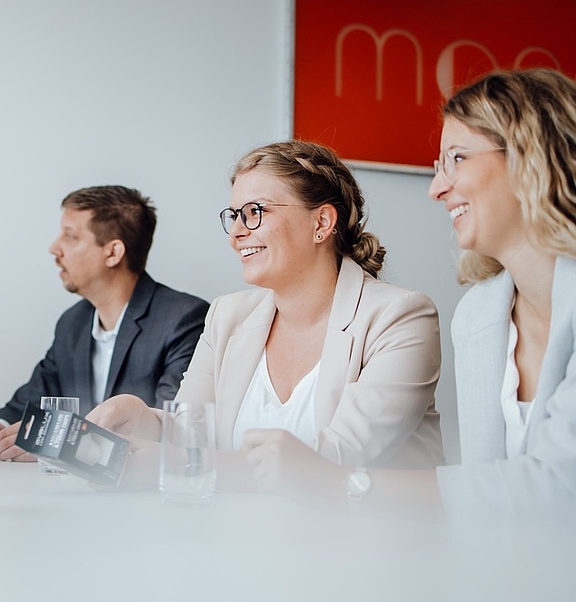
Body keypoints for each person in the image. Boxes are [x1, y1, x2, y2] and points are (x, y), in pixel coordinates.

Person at [243, 68, 576, 513]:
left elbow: (558, 483)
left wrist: (345, 484)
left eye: (457, 158)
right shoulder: (480, 314)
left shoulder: (404, 315)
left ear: (531, 156)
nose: (438, 189)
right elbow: (490, 494)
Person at [88, 140, 444, 485]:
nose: (236, 234)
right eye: (234, 216)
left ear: (321, 223)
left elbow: (340, 459)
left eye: (255, 212)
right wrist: (144, 420)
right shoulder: (226, 315)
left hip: (372, 539)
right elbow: (191, 432)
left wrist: (181, 463)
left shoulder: (400, 317)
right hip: (245, 538)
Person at [0, 185, 210, 462]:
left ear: (113, 253)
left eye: (70, 236)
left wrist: (55, 443)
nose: (54, 248)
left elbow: (170, 428)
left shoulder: (185, 318)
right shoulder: (72, 323)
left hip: (144, 495)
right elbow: (25, 406)